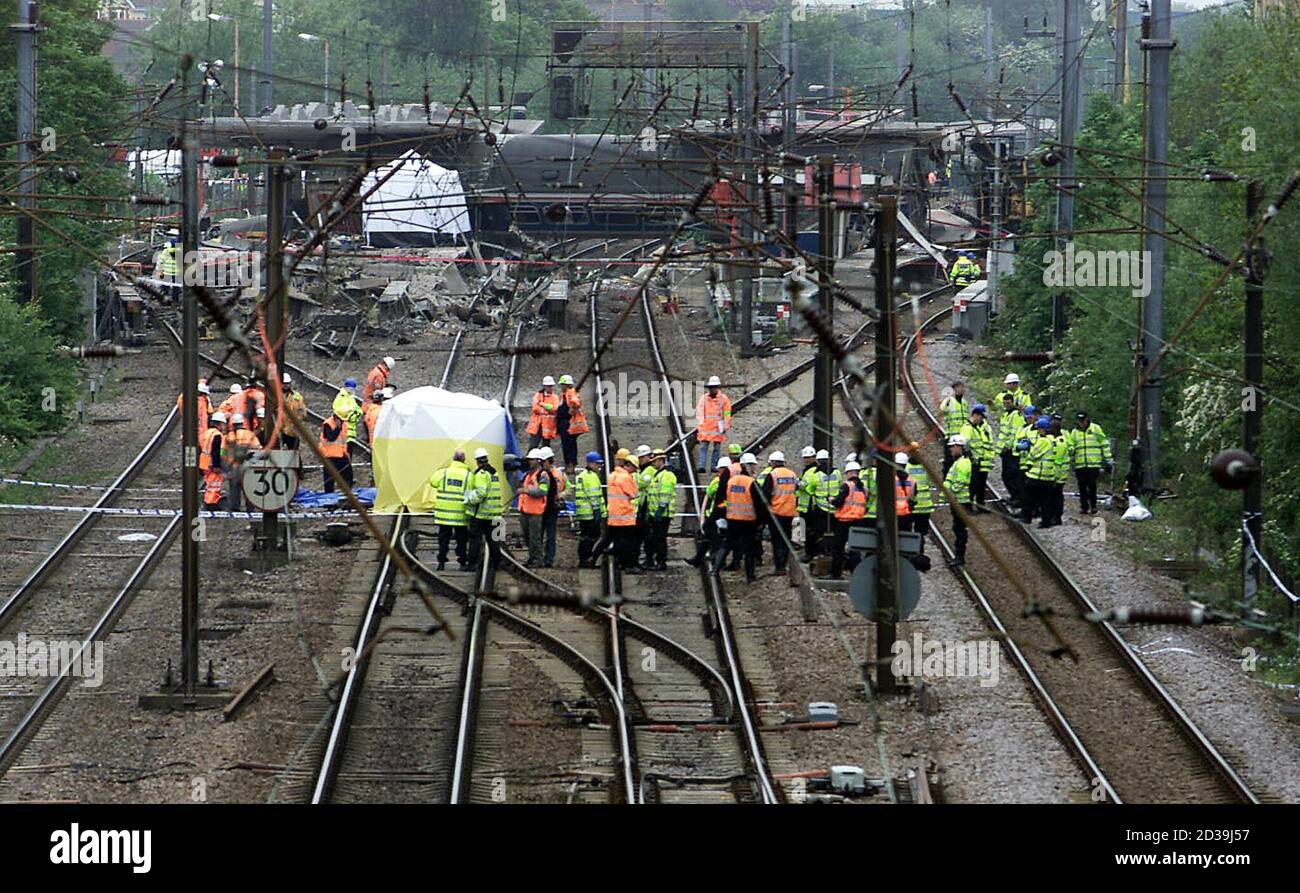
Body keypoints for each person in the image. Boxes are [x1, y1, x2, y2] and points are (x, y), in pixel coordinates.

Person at [716, 452, 759, 582]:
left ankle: (715, 569)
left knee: (727, 544)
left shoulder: (731, 480)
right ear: (748, 466)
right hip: (748, 521)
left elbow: (722, 498)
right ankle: (750, 576)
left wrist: (722, 514)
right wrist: (761, 521)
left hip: (732, 518)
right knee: (749, 549)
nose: (754, 468)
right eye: (752, 465)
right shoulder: (751, 482)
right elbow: (758, 504)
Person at [429, 449, 472, 571]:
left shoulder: (443, 473)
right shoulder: (469, 475)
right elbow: (471, 491)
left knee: (443, 539)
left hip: (444, 514)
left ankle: (441, 562)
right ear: (464, 460)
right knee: (462, 540)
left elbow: (433, 482)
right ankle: (462, 562)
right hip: (460, 515)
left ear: (453, 459)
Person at [1065, 411, 1113, 515]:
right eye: (1079, 420)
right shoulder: (1074, 432)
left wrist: (1108, 458)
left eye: (1083, 420)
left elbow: (1104, 443)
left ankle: (1093, 506)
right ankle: (1084, 507)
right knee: (1082, 485)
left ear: (1087, 419)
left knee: (1092, 485)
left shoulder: (1095, 428)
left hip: (1093, 463)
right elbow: (1071, 445)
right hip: (1080, 463)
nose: (1081, 423)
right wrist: (1071, 453)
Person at [687, 456, 731, 568]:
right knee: (711, 537)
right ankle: (698, 559)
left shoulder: (717, 481)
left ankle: (717, 560)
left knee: (715, 538)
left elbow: (708, 497)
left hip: (718, 514)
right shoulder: (731, 480)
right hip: (723, 514)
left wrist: (703, 515)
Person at [761, 451, 798, 576]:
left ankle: (779, 567)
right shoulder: (792, 474)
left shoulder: (772, 475)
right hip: (790, 511)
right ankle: (785, 563)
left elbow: (764, 495)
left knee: (777, 540)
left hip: (776, 512)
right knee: (786, 539)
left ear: (772, 462)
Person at [829, 460, 868, 579]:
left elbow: (839, 502)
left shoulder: (847, 486)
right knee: (855, 549)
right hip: (858, 522)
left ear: (849, 473)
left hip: (844, 522)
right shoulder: (863, 488)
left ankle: (836, 574)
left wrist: (831, 500)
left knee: (837, 549)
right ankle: (856, 574)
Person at [465, 447, 503, 569]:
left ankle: (472, 563)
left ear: (477, 460)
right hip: (493, 512)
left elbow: (481, 493)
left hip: (481, 513)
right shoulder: (494, 472)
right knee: (494, 540)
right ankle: (497, 563)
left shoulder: (481, 474)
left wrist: (470, 500)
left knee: (475, 538)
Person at [605, 451, 640, 572]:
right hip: (626, 516)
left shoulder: (612, 475)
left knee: (617, 541)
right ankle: (629, 565)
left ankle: (620, 562)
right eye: (634, 468)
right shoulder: (625, 477)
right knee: (629, 543)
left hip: (614, 516)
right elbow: (634, 494)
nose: (634, 471)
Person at [644, 449, 677, 571]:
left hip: (662, 514)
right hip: (656, 513)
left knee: (660, 538)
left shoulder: (666, 475)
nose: (652, 464)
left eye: (654, 461)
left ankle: (661, 562)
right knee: (656, 538)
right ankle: (656, 560)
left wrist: (660, 509)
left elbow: (665, 494)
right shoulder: (658, 475)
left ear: (660, 460)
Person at [1020, 417, 1056, 527]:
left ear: (1042, 429)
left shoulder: (1043, 441)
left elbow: (1034, 454)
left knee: (1028, 498)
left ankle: (1027, 517)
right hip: (1048, 476)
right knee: (1045, 500)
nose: (1038, 431)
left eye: (1039, 429)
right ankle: (1046, 521)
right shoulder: (1053, 440)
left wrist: (1028, 448)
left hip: (1037, 475)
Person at [222, 412, 262, 511]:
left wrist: (226, 466)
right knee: (248, 488)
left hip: (234, 466)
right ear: (242, 423)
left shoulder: (229, 436)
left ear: (233, 424)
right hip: (248, 467)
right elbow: (258, 449)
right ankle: (250, 508)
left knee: (234, 489)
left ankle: (235, 508)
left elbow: (222, 452)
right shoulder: (250, 435)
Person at [959, 403, 995, 512]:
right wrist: (971, 457)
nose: (982, 420)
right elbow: (964, 444)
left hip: (980, 462)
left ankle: (980, 505)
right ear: (976, 415)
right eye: (981, 417)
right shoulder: (967, 428)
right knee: (972, 485)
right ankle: (967, 507)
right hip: (972, 462)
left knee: (980, 485)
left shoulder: (977, 428)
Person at [518, 449, 551, 567]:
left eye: (532, 459)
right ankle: (532, 557)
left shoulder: (542, 475)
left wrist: (526, 490)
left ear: (538, 460)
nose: (530, 462)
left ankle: (537, 559)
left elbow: (542, 491)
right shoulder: (528, 475)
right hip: (525, 510)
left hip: (535, 512)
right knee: (527, 537)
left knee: (534, 538)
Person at [943, 435, 973, 566]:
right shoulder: (959, 461)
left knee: (959, 530)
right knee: (958, 528)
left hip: (960, 501)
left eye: (952, 447)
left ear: (959, 447)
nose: (950, 450)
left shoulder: (962, 463)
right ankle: (958, 555)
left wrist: (950, 491)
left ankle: (959, 557)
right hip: (957, 501)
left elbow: (960, 482)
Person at [574, 452, 607, 568]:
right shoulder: (591, 477)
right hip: (590, 514)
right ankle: (585, 558)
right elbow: (593, 495)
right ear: (591, 463)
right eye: (598, 464)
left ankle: (584, 558)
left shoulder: (582, 475)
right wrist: (597, 510)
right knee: (592, 536)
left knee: (585, 536)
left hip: (583, 513)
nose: (599, 467)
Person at [694, 375, 732, 473]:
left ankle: (714, 466)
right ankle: (702, 466)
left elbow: (727, 412)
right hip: (706, 428)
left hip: (717, 428)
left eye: (714, 387)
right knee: (703, 448)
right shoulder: (704, 398)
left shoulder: (724, 399)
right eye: (711, 387)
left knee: (716, 448)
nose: (712, 389)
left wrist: (726, 425)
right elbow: (699, 411)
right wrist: (700, 425)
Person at [555, 374, 589, 474]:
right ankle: (569, 464)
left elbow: (576, 402)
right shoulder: (564, 395)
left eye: (562, 384)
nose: (561, 386)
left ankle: (571, 464)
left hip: (569, 423)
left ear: (566, 385)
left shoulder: (571, 392)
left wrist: (572, 408)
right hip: (564, 423)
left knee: (569, 445)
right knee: (567, 444)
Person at [795, 446, 824, 563]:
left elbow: (807, 486)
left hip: (809, 506)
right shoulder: (808, 470)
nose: (806, 460)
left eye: (809, 457)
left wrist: (797, 483)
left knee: (810, 532)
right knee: (806, 531)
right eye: (805, 457)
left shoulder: (813, 471)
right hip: (805, 505)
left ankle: (810, 554)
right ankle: (811, 552)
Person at [996, 394, 1025, 506]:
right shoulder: (1005, 415)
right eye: (1005, 403)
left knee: (1013, 475)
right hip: (1005, 451)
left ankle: (1017, 498)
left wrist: (1007, 446)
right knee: (1006, 475)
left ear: (1013, 402)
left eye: (1008, 402)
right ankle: (1013, 496)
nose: (1006, 405)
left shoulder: (1016, 416)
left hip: (1012, 451)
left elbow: (1015, 433)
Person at [812, 449, 841, 562]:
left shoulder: (816, 475)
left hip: (821, 508)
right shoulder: (837, 472)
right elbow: (840, 485)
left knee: (820, 533)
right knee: (834, 533)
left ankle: (823, 553)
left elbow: (810, 490)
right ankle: (833, 552)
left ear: (818, 462)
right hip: (834, 508)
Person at [902, 450, 933, 553]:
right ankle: (920, 552)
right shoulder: (925, 467)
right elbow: (929, 481)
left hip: (911, 506)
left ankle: (910, 552)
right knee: (921, 533)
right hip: (925, 506)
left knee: (908, 532)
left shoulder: (906, 468)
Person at [539, 446, 565, 568]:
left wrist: (561, 495)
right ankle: (540, 558)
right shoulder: (542, 473)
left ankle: (548, 559)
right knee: (539, 534)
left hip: (550, 509)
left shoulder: (558, 474)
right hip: (540, 508)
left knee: (550, 535)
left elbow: (568, 487)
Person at [939, 382, 969, 474]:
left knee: (962, 460)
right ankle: (946, 482)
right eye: (960, 387)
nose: (962, 390)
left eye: (963, 388)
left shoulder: (964, 402)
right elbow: (942, 410)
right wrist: (947, 400)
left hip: (962, 437)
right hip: (952, 437)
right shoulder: (949, 401)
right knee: (949, 461)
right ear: (954, 389)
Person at [318, 410, 351, 493]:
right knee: (329, 480)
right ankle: (329, 497)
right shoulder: (327, 424)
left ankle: (347, 494)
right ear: (336, 418)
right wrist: (338, 427)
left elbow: (344, 441)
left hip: (341, 454)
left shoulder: (344, 424)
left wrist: (346, 453)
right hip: (329, 456)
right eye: (341, 420)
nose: (343, 422)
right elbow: (331, 437)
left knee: (348, 476)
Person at [200, 411, 226, 508]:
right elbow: (216, 451)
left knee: (209, 484)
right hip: (212, 463)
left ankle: (210, 501)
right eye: (223, 424)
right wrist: (217, 465)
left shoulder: (207, 433)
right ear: (219, 424)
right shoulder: (217, 435)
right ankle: (211, 503)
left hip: (204, 463)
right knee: (214, 485)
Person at [332, 379, 363, 459]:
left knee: (348, 456)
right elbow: (339, 411)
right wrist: (351, 414)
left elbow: (358, 411)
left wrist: (352, 413)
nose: (351, 390)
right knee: (344, 456)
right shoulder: (341, 397)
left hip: (351, 432)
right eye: (350, 388)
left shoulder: (351, 398)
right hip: (343, 432)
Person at [526, 376, 559, 450]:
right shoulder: (538, 395)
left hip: (548, 427)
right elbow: (535, 408)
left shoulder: (555, 397)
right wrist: (547, 410)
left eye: (550, 386)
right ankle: (530, 461)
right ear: (544, 386)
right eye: (548, 386)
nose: (549, 388)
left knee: (546, 448)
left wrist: (543, 404)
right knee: (533, 447)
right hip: (537, 426)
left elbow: (555, 409)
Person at [282, 373, 306, 451]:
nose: (286, 385)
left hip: (292, 430)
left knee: (294, 452)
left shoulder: (297, 397)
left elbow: (303, 413)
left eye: (287, 383)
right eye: (284, 383)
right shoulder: (275, 395)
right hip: (279, 430)